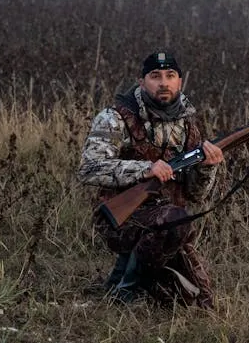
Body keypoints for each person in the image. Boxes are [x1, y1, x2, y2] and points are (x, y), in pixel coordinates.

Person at [77, 51, 224, 308]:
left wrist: (207, 168)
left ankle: (120, 278)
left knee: (204, 304)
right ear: (142, 81)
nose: (164, 82)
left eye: (170, 76)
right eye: (155, 76)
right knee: (174, 219)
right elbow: (89, 169)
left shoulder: (188, 126)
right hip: (119, 220)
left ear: (180, 82)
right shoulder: (115, 118)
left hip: (168, 227)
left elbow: (196, 195)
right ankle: (125, 292)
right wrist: (145, 169)